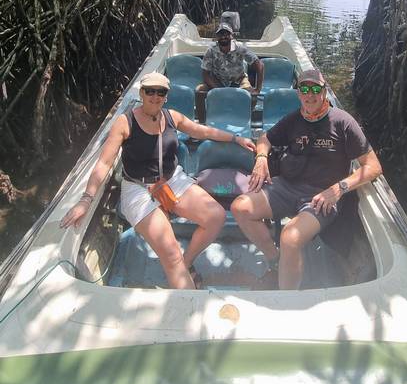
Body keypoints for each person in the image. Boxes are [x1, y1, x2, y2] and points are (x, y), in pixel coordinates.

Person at [61, 71, 255, 289]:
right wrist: (86, 200)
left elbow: (202, 131)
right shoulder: (125, 123)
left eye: (160, 92)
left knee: (216, 217)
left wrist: (236, 138)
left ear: (166, 95)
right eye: (150, 91)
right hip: (138, 188)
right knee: (170, 254)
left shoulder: (172, 116)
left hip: (172, 181)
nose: (155, 96)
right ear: (142, 93)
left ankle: (187, 262)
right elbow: (104, 164)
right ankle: (189, 305)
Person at [231, 67, 382, 290]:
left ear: (324, 91)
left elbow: (374, 167)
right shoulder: (293, 120)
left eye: (315, 89)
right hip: (287, 186)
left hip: (322, 196)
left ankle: (287, 298)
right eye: (304, 89)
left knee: (290, 238)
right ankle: (276, 260)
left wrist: (340, 188)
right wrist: (261, 158)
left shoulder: (343, 122)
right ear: (298, 93)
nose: (310, 95)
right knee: (240, 208)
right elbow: (265, 137)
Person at [196, 22, 264, 121]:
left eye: (226, 34)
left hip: (238, 80)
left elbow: (260, 65)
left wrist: (258, 89)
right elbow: (205, 74)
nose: (223, 37)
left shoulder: (240, 47)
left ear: (231, 35)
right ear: (217, 37)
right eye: (220, 34)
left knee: (252, 97)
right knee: (199, 91)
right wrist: (217, 89)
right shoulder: (211, 50)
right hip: (217, 81)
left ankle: (242, 120)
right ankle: (202, 122)